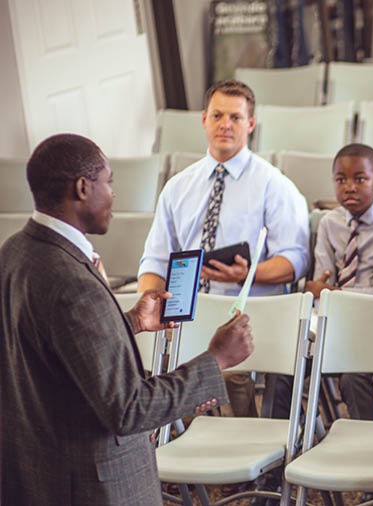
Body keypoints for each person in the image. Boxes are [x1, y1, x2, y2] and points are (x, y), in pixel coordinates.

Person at [0, 133, 254, 506]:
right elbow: (130, 408)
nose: (113, 194)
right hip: (91, 483)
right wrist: (216, 360)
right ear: (83, 188)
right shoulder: (73, 282)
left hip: (34, 470)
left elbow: (48, 348)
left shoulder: (15, 250)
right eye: (109, 182)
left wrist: (128, 322)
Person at [138, 79, 309, 420]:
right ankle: (185, 443)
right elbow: (155, 260)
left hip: (245, 311)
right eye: (217, 115)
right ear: (204, 119)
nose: (225, 125)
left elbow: (295, 262)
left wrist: (249, 274)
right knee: (145, 359)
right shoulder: (177, 187)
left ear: (251, 124)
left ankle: (239, 451)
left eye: (235, 117)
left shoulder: (274, 185)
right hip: (188, 309)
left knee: (231, 376)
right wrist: (152, 305)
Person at [305, 143, 373, 421]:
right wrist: (327, 292)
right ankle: (282, 441)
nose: (349, 187)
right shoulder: (330, 223)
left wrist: (332, 292)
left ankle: (367, 443)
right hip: (333, 321)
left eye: (360, 179)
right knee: (286, 367)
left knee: (352, 376)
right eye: (341, 180)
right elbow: (321, 283)